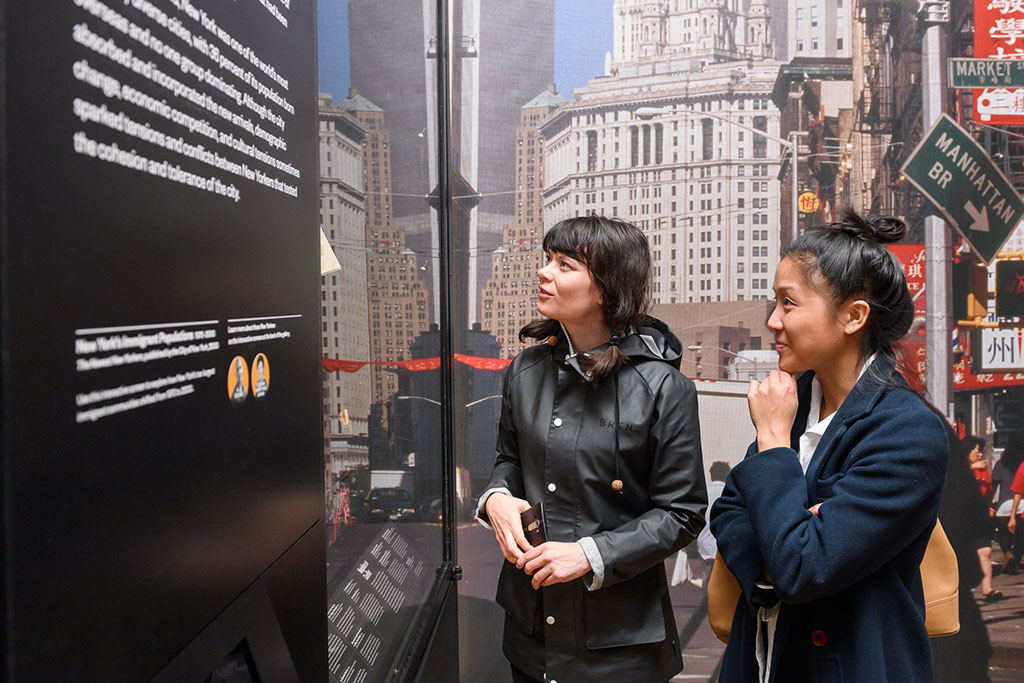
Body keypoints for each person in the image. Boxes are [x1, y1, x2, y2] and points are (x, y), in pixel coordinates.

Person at [710, 209, 949, 682]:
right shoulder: (793, 402)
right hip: (759, 662)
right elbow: (729, 511)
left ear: (853, 316)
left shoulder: (907, 430)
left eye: (789, 303)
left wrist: (775, 447)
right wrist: (778, 553)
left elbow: (803, 566)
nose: (773, 321)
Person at [476, 215, 707, 683]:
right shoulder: (524, 370)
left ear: (605, 287)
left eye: (564, 264)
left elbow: (682, 513)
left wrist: (588, 554)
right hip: (531, 634)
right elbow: (510, 461)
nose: (544, 272)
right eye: (547, 260)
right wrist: (495, 498)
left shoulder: (664, 387)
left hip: (620, 650)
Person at [964, 436, 999, 600]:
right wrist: (971, 468)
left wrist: (990, 506)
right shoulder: (959, 468)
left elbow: (988, 493)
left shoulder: (984, 471)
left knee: (986, 551)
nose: (980, 455)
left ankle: (988, 589)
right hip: (963, 518)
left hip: (980, 518)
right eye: (977, 451)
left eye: (981, 451)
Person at [992, 446, 1024, 574]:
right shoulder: (1021, 464)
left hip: (1005, 504)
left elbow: (995, 482)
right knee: (1021, 536)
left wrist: (991, 502)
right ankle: (1015, 561)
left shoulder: (1001, 464)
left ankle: (1007, 554)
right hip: (1022, 504)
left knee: (1003, 532)